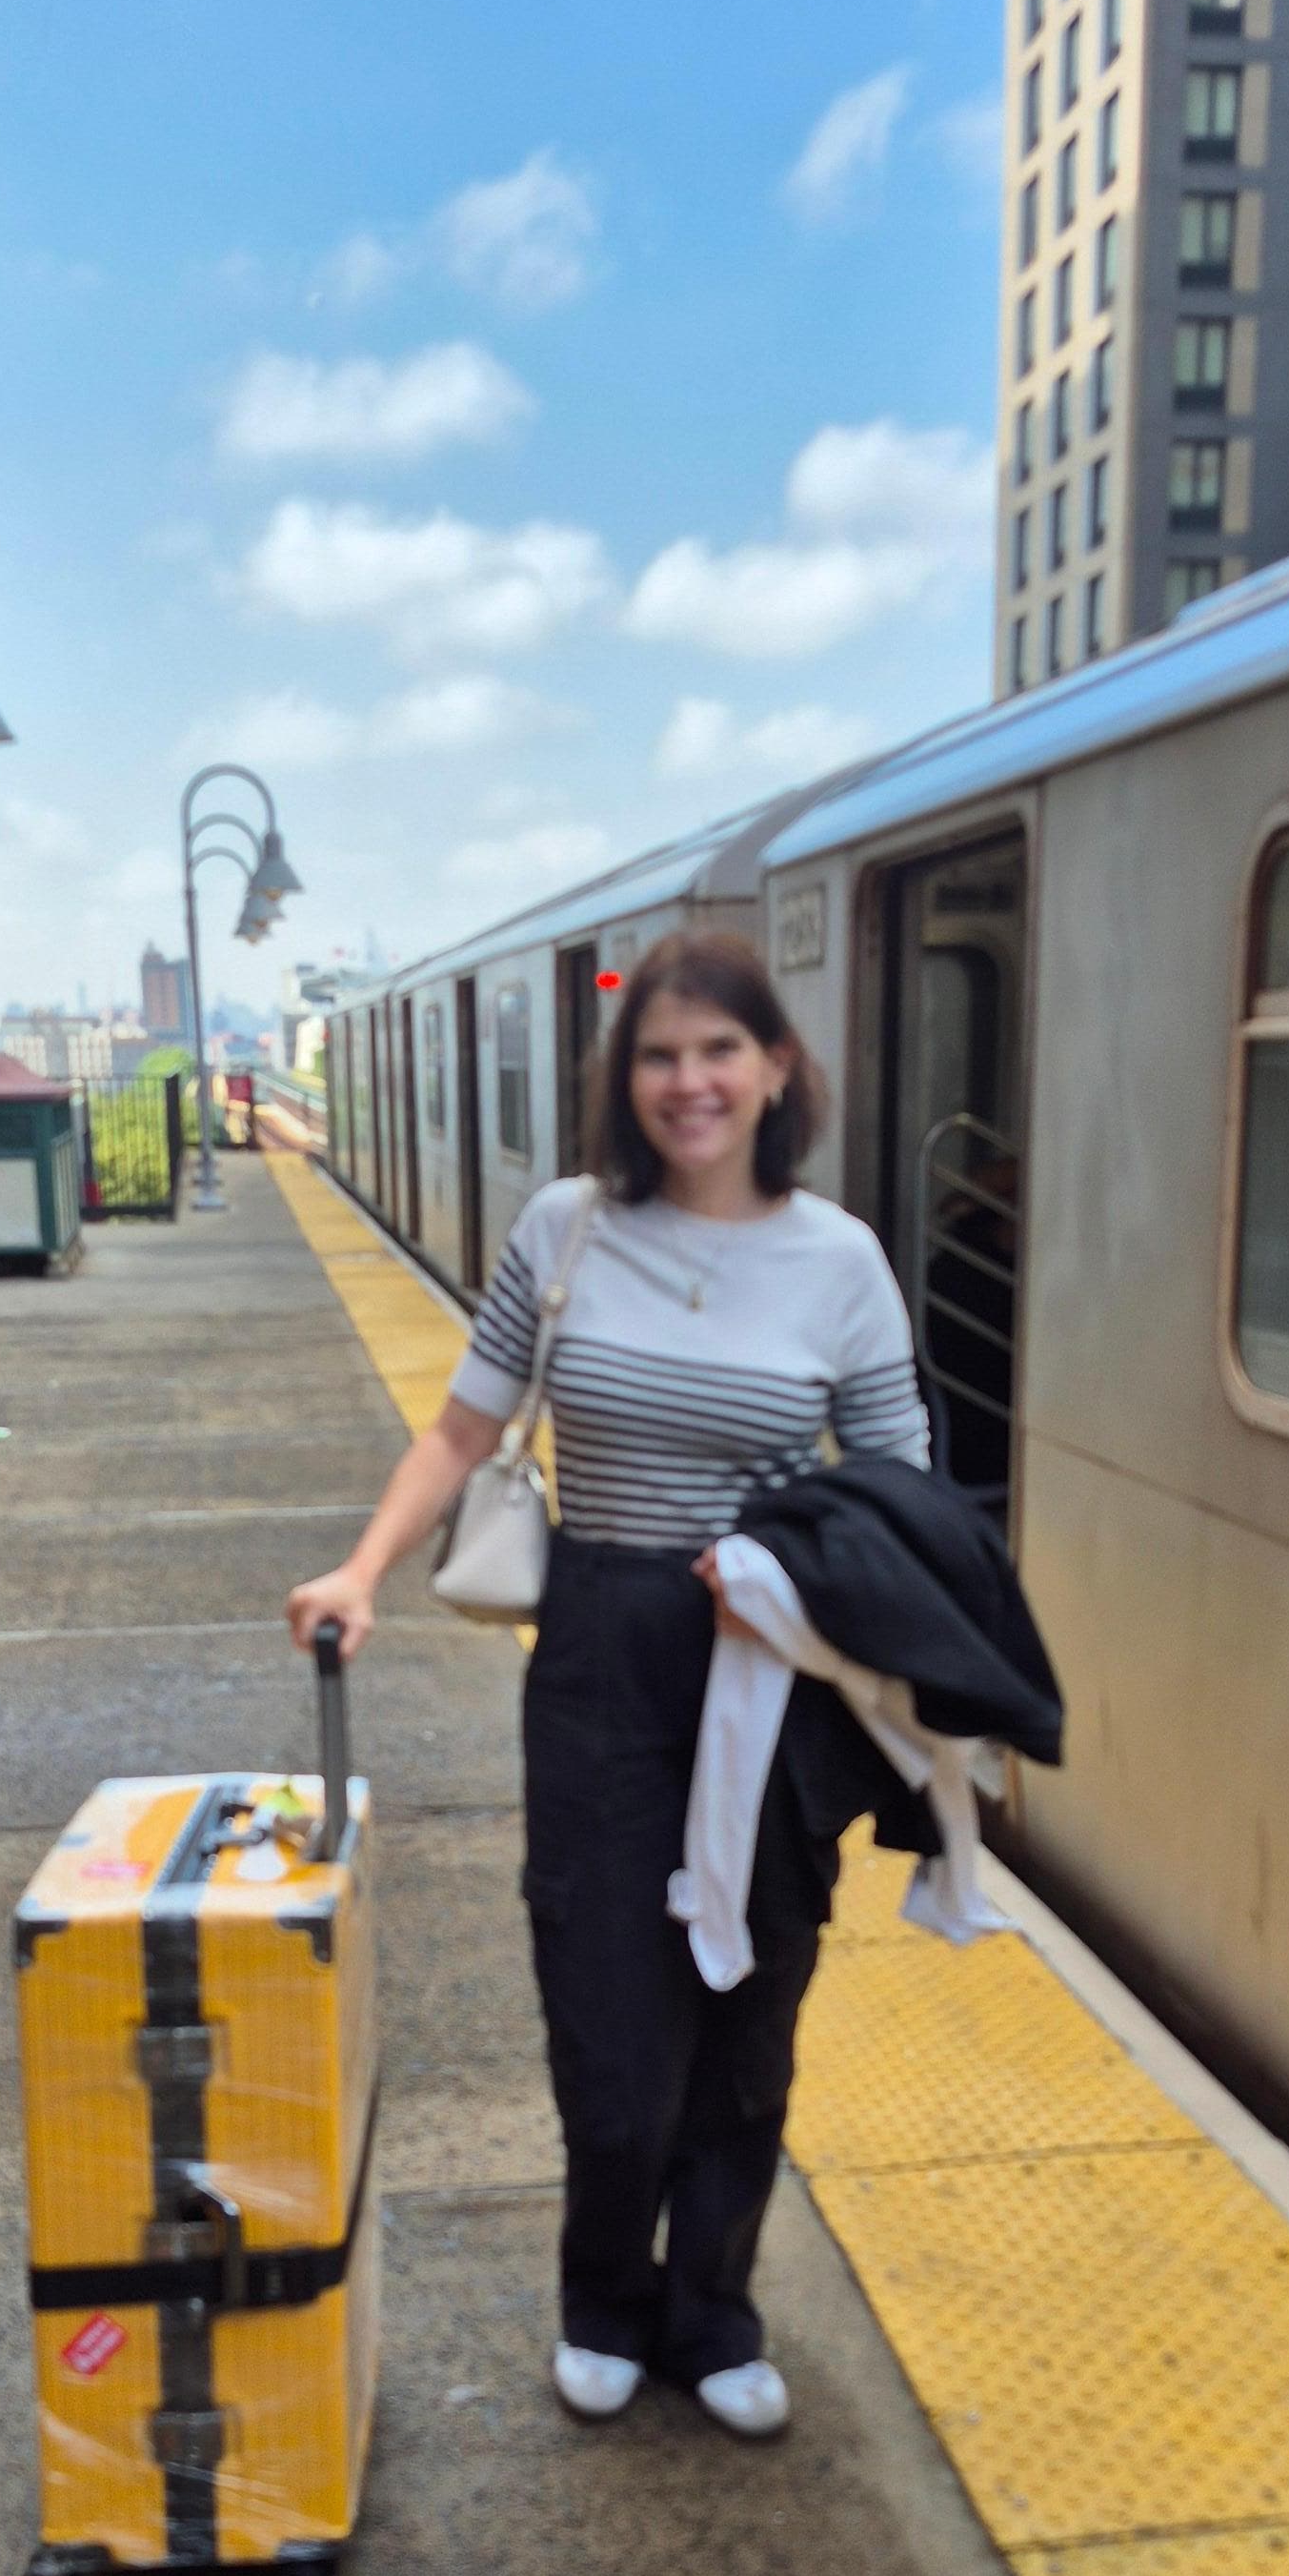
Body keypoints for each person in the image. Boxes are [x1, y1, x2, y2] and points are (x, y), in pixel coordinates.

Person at [287, 930, 930, 2441]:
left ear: (776, 1069)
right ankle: (603, 2299)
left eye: (719, 1051)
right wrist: (363, 1568)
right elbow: (463, 1430)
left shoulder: (840, 1262)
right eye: (659, 1055)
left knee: (749, 2014)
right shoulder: (566, 1228)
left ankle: (714, 2313)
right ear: (623, 1077)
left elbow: (899, 1487)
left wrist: (796, 1569)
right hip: (600, 1652)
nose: (689, 1082)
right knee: (608, 2012)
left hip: (771, 1669)